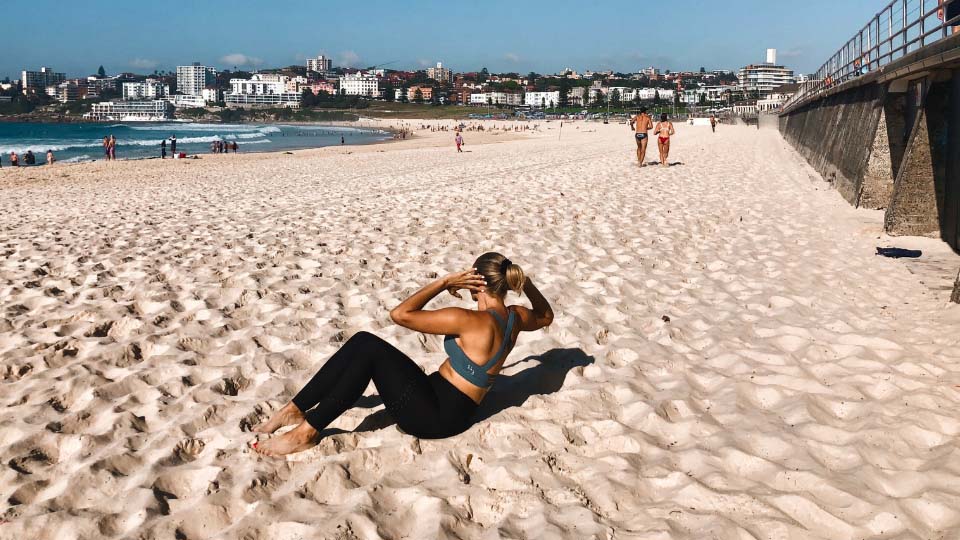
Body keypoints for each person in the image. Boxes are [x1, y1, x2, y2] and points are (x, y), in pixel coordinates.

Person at [251, 252, 555, 456]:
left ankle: (306, 432)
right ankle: (295, 409)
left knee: (367, 348)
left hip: (433, 418)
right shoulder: (516, 318)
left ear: (475, 282)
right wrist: (525, 283)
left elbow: (400, 314)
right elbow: (546, 315)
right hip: (453, 409)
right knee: (363, 346)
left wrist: (444, 282)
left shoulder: (468, 319)